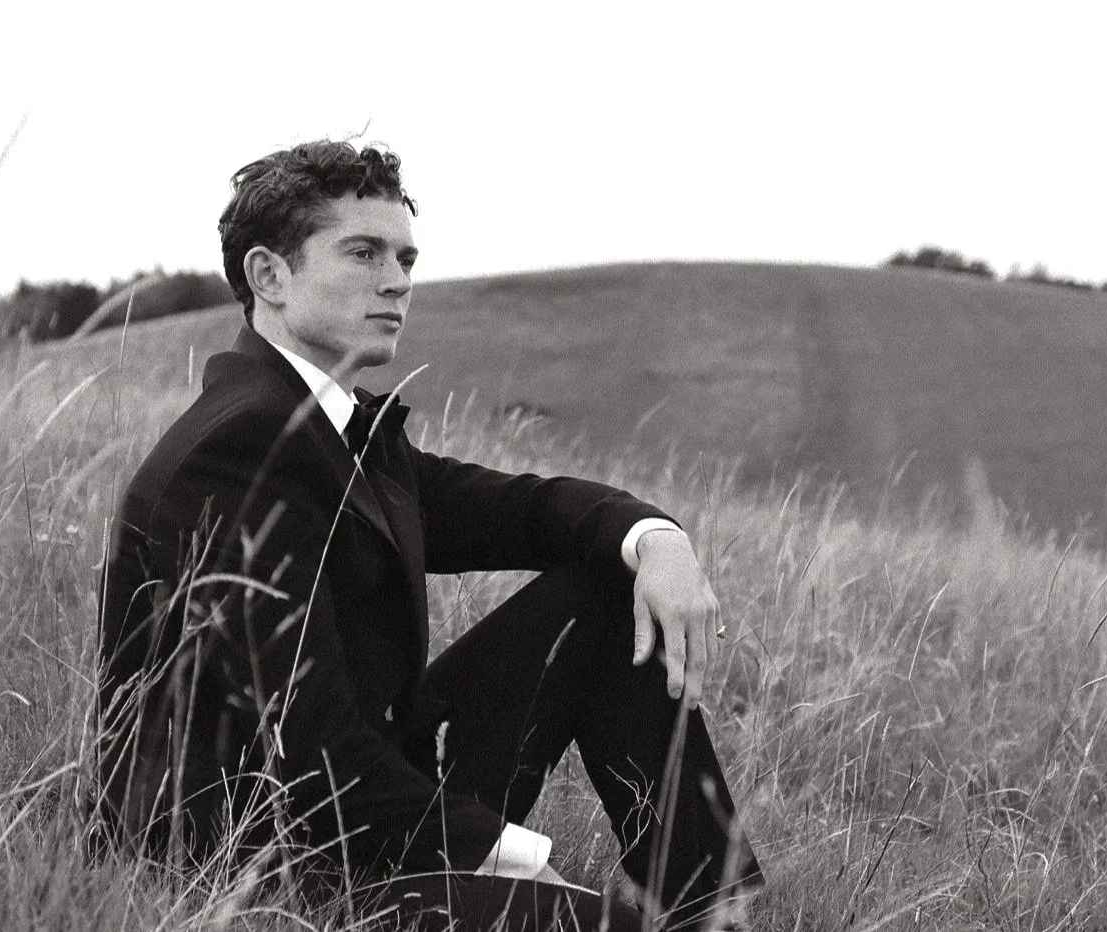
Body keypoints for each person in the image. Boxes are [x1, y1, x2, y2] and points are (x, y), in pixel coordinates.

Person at [95, 140, 762, 930]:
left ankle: (711, 911)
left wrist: (658, 540)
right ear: (269, 277)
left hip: (365, 812)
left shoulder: (332, 431)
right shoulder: (239, 450)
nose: (398, 280)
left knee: (606, 594)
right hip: (262, 872)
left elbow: (526, 511)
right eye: (364, 253)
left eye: (407, 257)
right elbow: (306, 751)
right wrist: (511, 851)